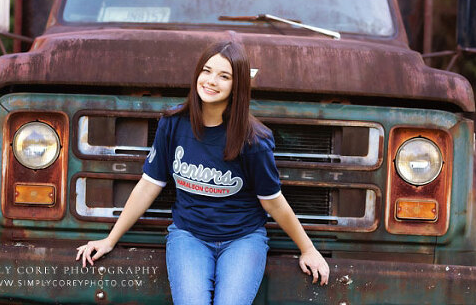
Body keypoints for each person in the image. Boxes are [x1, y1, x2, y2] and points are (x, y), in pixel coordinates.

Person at [75, 41, 330, 305]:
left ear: (237, 85)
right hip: (189, 236)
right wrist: (110, 239)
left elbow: (273, 203)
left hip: (242, 240)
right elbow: (149, 184)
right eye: (206, 71)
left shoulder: (253, 140)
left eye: (224, 76)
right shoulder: (172, 124)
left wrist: (308, 249)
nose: (211, 81)